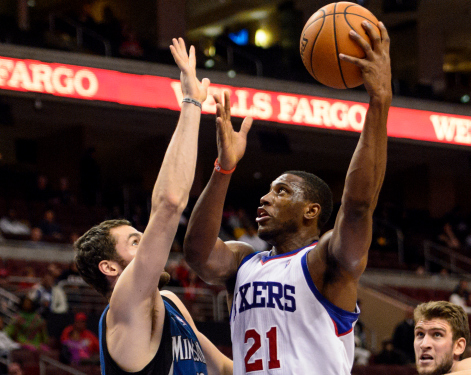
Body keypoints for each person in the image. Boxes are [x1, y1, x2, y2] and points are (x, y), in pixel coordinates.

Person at [183, 21, 391, 374]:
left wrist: (379, 102)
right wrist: (223, 169)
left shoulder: (325, 261)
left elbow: (357, 207)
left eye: (281, 191)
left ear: (312, 210)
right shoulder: (243, 263)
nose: (264, 199)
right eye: (267, 191)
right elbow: (197, 254)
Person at [73, 38, 232, 375]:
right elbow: (170, 203)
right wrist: (191, 103)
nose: (147, 240)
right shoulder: (126, 304)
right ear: (110, 268)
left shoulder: (171, 303)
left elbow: (224, 368)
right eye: (134, 241)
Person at [413, 301, 471, 375]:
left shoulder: (469, 366)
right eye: (420, 334)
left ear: (458, 346)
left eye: (437, 334)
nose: (424, 344)